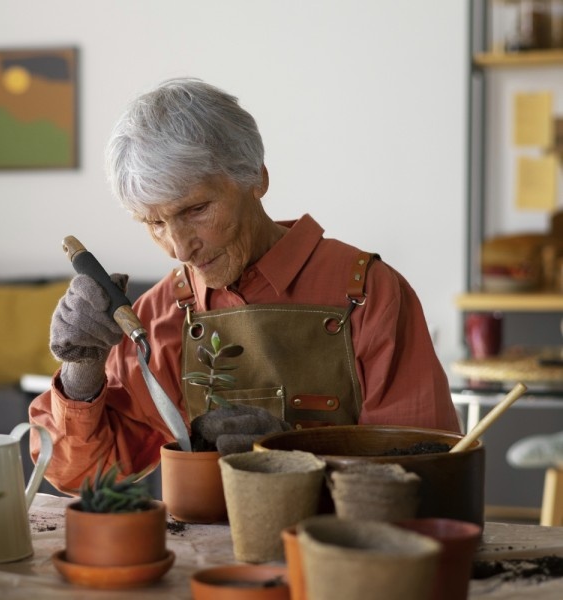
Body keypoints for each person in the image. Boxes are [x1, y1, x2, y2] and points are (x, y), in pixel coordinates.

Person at [29, 77, 460, 494]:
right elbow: (78, 475)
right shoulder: (159, 314)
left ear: (257, 177)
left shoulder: (368, 293)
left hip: (337, 557)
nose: (179, 248)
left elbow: (431, 470)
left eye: (196, 209)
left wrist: (294, 454)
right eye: (155, 223)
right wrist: (82, 372)